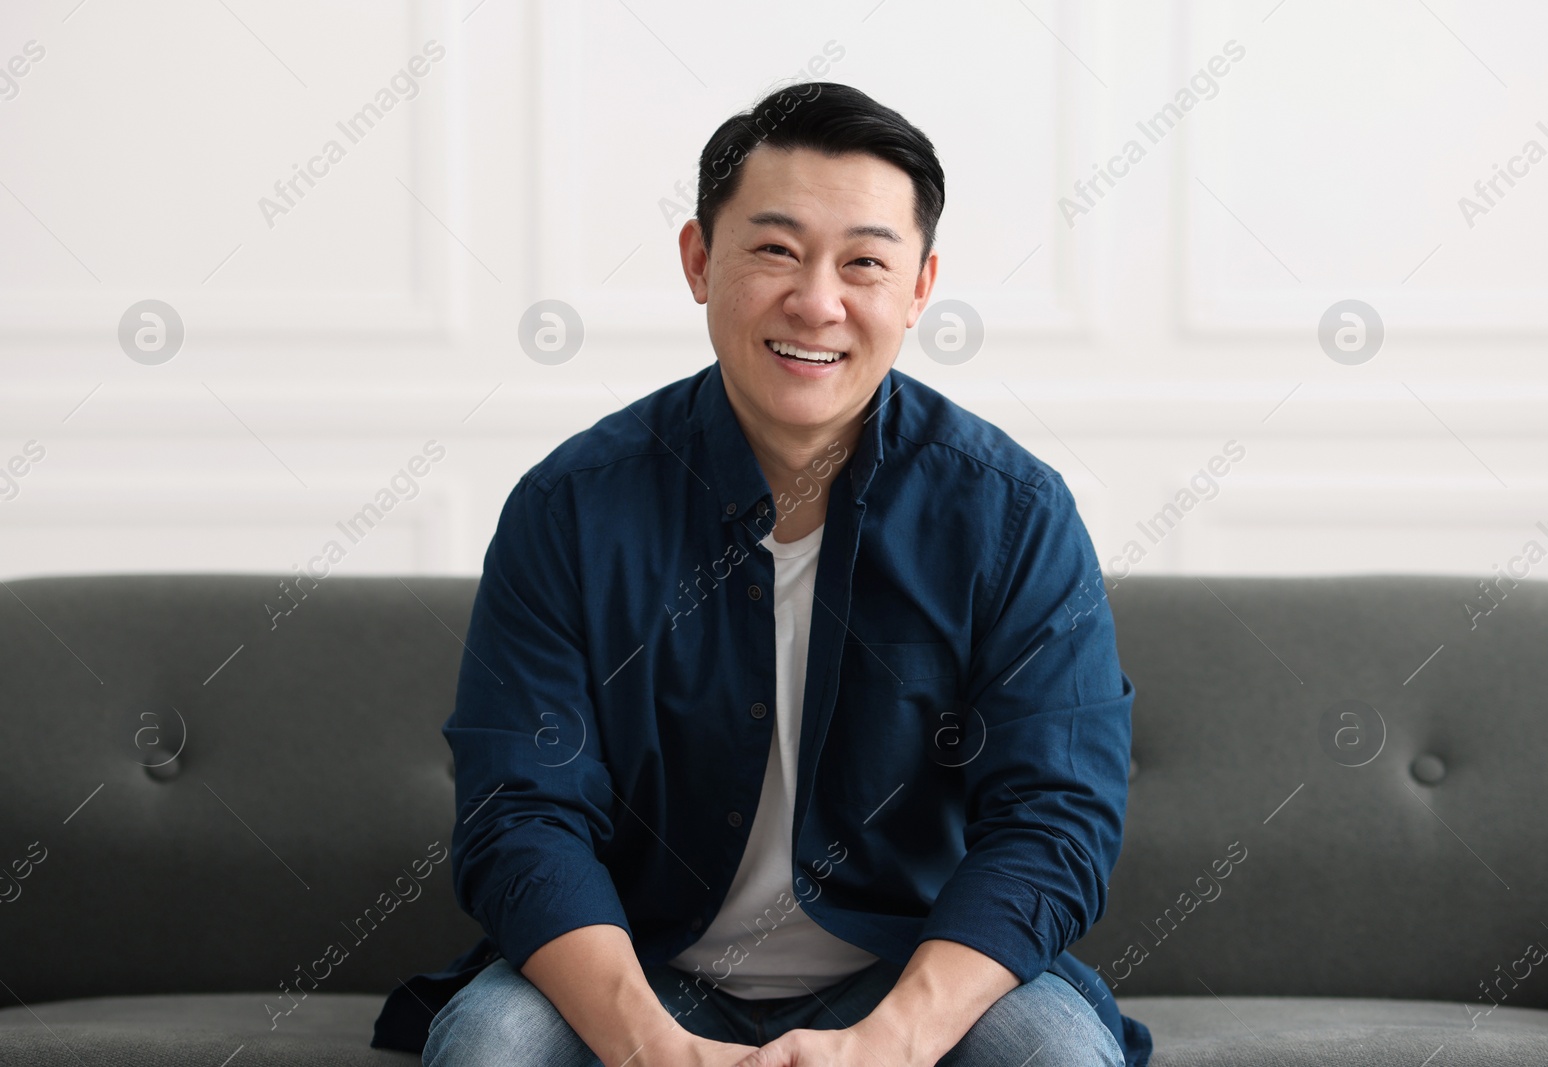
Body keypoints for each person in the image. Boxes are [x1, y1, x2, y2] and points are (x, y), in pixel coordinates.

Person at [372, 80, 1150, 1067]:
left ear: (918, 288)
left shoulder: (1011, 513)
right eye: (774, 249)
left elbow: (1055, 819)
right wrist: (649, 1044)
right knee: (489, 1048)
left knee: (1052, 1056)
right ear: (700, 261)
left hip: (907, 968)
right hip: (638, 962)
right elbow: (520, 814)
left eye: (864, 262)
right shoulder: (570, 508)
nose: (816, 301)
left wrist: (888, 1043)